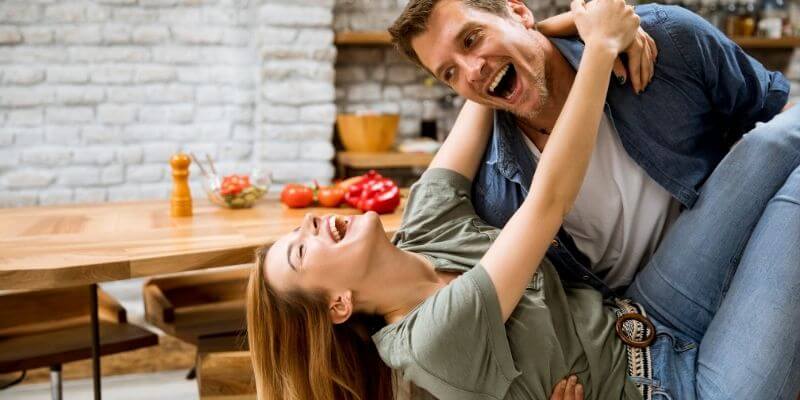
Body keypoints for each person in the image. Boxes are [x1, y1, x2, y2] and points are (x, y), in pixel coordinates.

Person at [245, 0, 800, 399]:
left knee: (778, 140)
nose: (312, 223)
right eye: (301, 250)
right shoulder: (428, 341)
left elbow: (481, 88)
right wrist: (603, 46)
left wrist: (565, 25)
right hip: (672, 389)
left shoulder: (423, 229)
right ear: (338, 304)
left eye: (467, 45)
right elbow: (549, 201)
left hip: (649, 312)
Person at [388, 0, 791, 297]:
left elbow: (773, 118)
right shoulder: (494, 194)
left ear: (519, 11)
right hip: (641, 331)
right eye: (450, 72)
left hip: (737, 268)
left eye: (472, 38)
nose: (472, 70)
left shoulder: (667, 41)